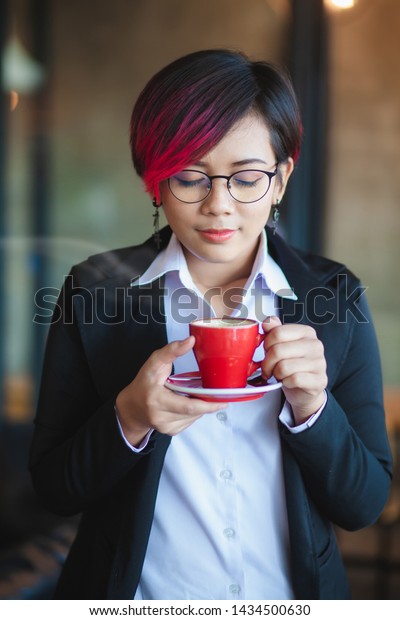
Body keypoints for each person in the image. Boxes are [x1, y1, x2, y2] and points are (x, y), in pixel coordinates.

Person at [29, 49, 392, 600]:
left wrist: (315, 409)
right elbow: (54, 488)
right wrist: (128, 417)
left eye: (246, 178)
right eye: (189, 177)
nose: (219, 205)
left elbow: (363, 505)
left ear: (282, 178)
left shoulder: (333, 297)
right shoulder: (94, 293)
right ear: (155, 182)